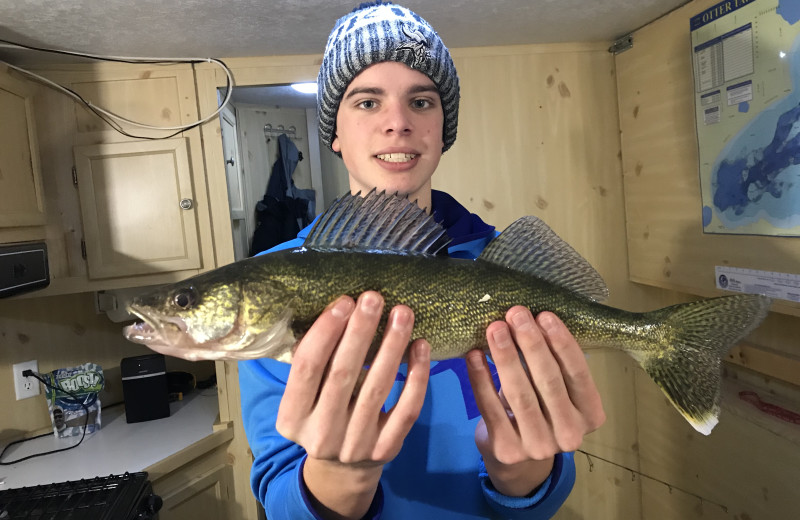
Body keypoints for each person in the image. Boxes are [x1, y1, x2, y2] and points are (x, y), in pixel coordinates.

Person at [239, 2, 606, 519]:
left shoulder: (511, 275)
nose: (398, 123)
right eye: (367, 102)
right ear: (335, 133)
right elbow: (278, 497)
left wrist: (527, 475)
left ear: (442, 128)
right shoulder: (275, 285)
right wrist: (340, 479)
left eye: (422, 101)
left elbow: (551, 472)